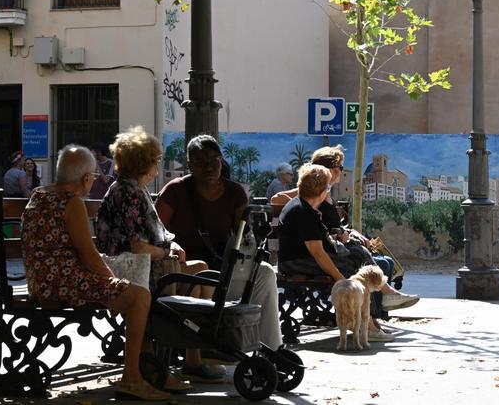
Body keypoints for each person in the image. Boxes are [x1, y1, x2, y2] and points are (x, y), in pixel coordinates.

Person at [21, 145, 168, 401]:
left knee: (131, 292)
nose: (95, 181)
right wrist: (115, 283)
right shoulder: (72, 203)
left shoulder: (39, 194)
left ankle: (136, 371)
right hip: (63, 282)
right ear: (85, 179)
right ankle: (131, 377)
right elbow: (89, 257)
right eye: (94, 177)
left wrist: (112, 285)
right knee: (140, 297)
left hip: (40, 282)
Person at [94, 126, 212, 387]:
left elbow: (157, 232)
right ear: (144, 163)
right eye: (156, 160)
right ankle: (167, 359)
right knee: (199, 275)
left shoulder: (132, 188)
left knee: (200, 271)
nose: (158, 165)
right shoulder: (129, 192)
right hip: (135, 269)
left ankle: (186, 356)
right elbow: (137, 246)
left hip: (146, 266)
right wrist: (166, 251)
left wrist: (173, 244)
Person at [155, 135, 283, 357]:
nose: (209, 166)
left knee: (264, 273)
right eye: (200, 161)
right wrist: (172, 245)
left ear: (222, 161)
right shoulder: (175, 191)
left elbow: (244, 234)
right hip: (189, 273)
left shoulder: (234, 193)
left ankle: (271, 350)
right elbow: (156, 233)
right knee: (204, 271)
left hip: (223, 269)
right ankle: (205, 348)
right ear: (189, 164)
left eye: (214, 159)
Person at [272, 146, 418, 313]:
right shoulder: (308, 200)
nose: (341, 172)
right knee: (362, 261)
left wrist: (348, 232)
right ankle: (371, 316)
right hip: (303, 257)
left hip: (322, 248)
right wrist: (342, 280)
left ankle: (378, 311)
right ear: (329, 170)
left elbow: (328, 228)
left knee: (374, 259)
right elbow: (317, 245)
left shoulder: (320, 198)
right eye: (339, 168)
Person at [278, 164, 407, 342]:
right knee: (355, 268)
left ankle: (371, 318)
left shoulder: (304, 206)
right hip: (296, 262)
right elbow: (318, 254)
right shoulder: (303, 211)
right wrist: (341, 280)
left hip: (302, 258)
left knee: (358, 254)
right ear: (323, 191)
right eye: (328, 187)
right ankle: (368, 322)